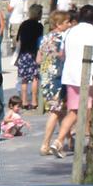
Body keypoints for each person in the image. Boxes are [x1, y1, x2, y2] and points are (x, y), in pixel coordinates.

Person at [51, 4, 93, 158]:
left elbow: (63, 54)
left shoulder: (70, 31)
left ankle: (58, 141)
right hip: (88, 76)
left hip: (71, 75)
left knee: (73, 111)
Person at [36, 10, 71, 156]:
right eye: (66, 22)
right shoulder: (62, 38)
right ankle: (45, 144)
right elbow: (65, 56)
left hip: (45, 78)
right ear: (58, 24)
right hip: (58, 78)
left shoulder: (44, 38)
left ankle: (68, 140)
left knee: (61, 111)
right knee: (56, 111)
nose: (69, 25)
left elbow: (38, 59)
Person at [15, 4, 44, 110]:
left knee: (24, 79)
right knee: (35, 78)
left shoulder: (24, 24)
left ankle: (24, 101)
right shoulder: (39, 26)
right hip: (34, 53)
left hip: (23, 54)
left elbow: (18, 39)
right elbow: (41, 41)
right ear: (38, 13)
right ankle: (34, 101)